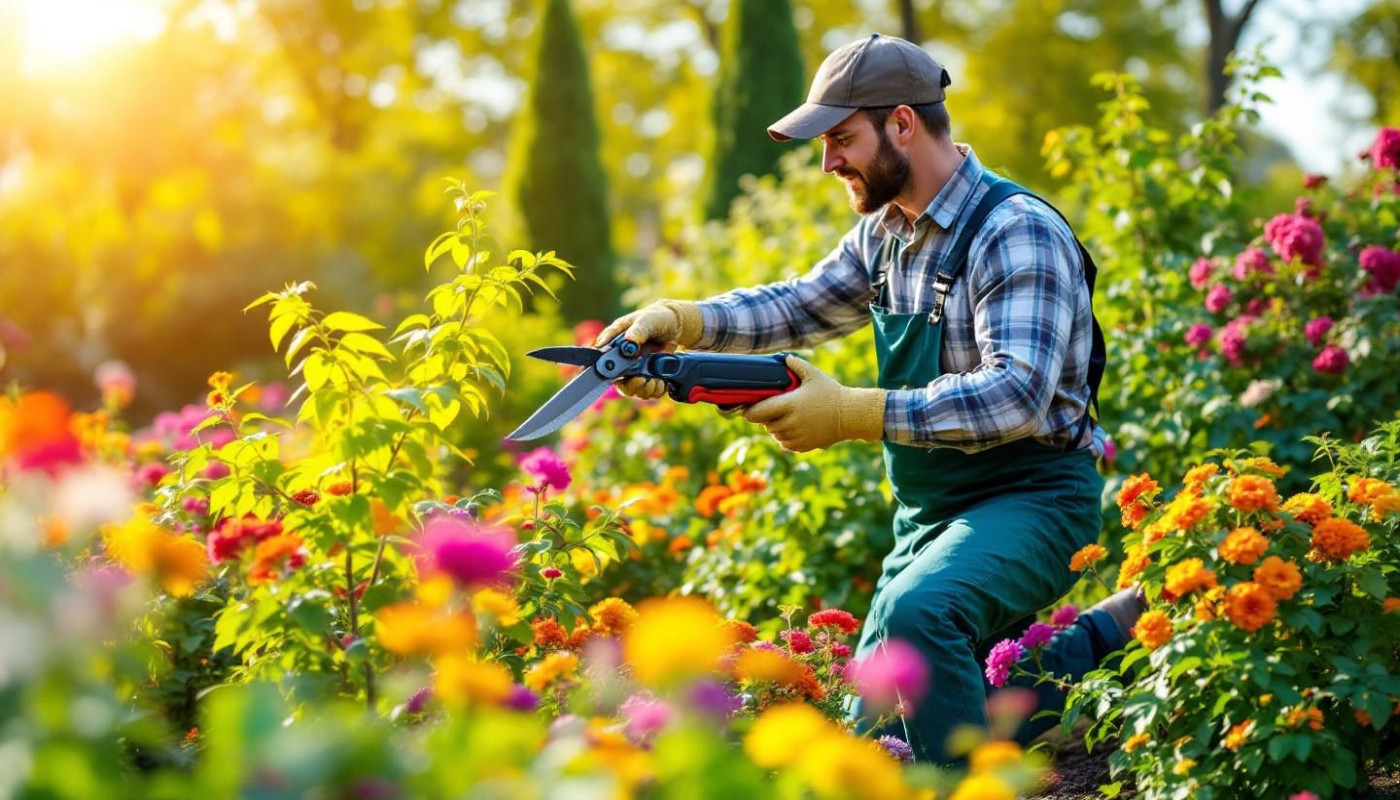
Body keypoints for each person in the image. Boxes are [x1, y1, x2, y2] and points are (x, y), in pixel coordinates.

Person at [592, 33, 1143, 764]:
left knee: (919, 614)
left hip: (1035, 499)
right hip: (931, 516)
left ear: (904, 124)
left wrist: (852, 412)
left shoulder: (1015, 232)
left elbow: (1019, 395)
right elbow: (797, 307)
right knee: (881, 734)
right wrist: (683, 326)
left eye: (842, 139)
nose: (829, 162)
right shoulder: (884, 235)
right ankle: (1104, 639)